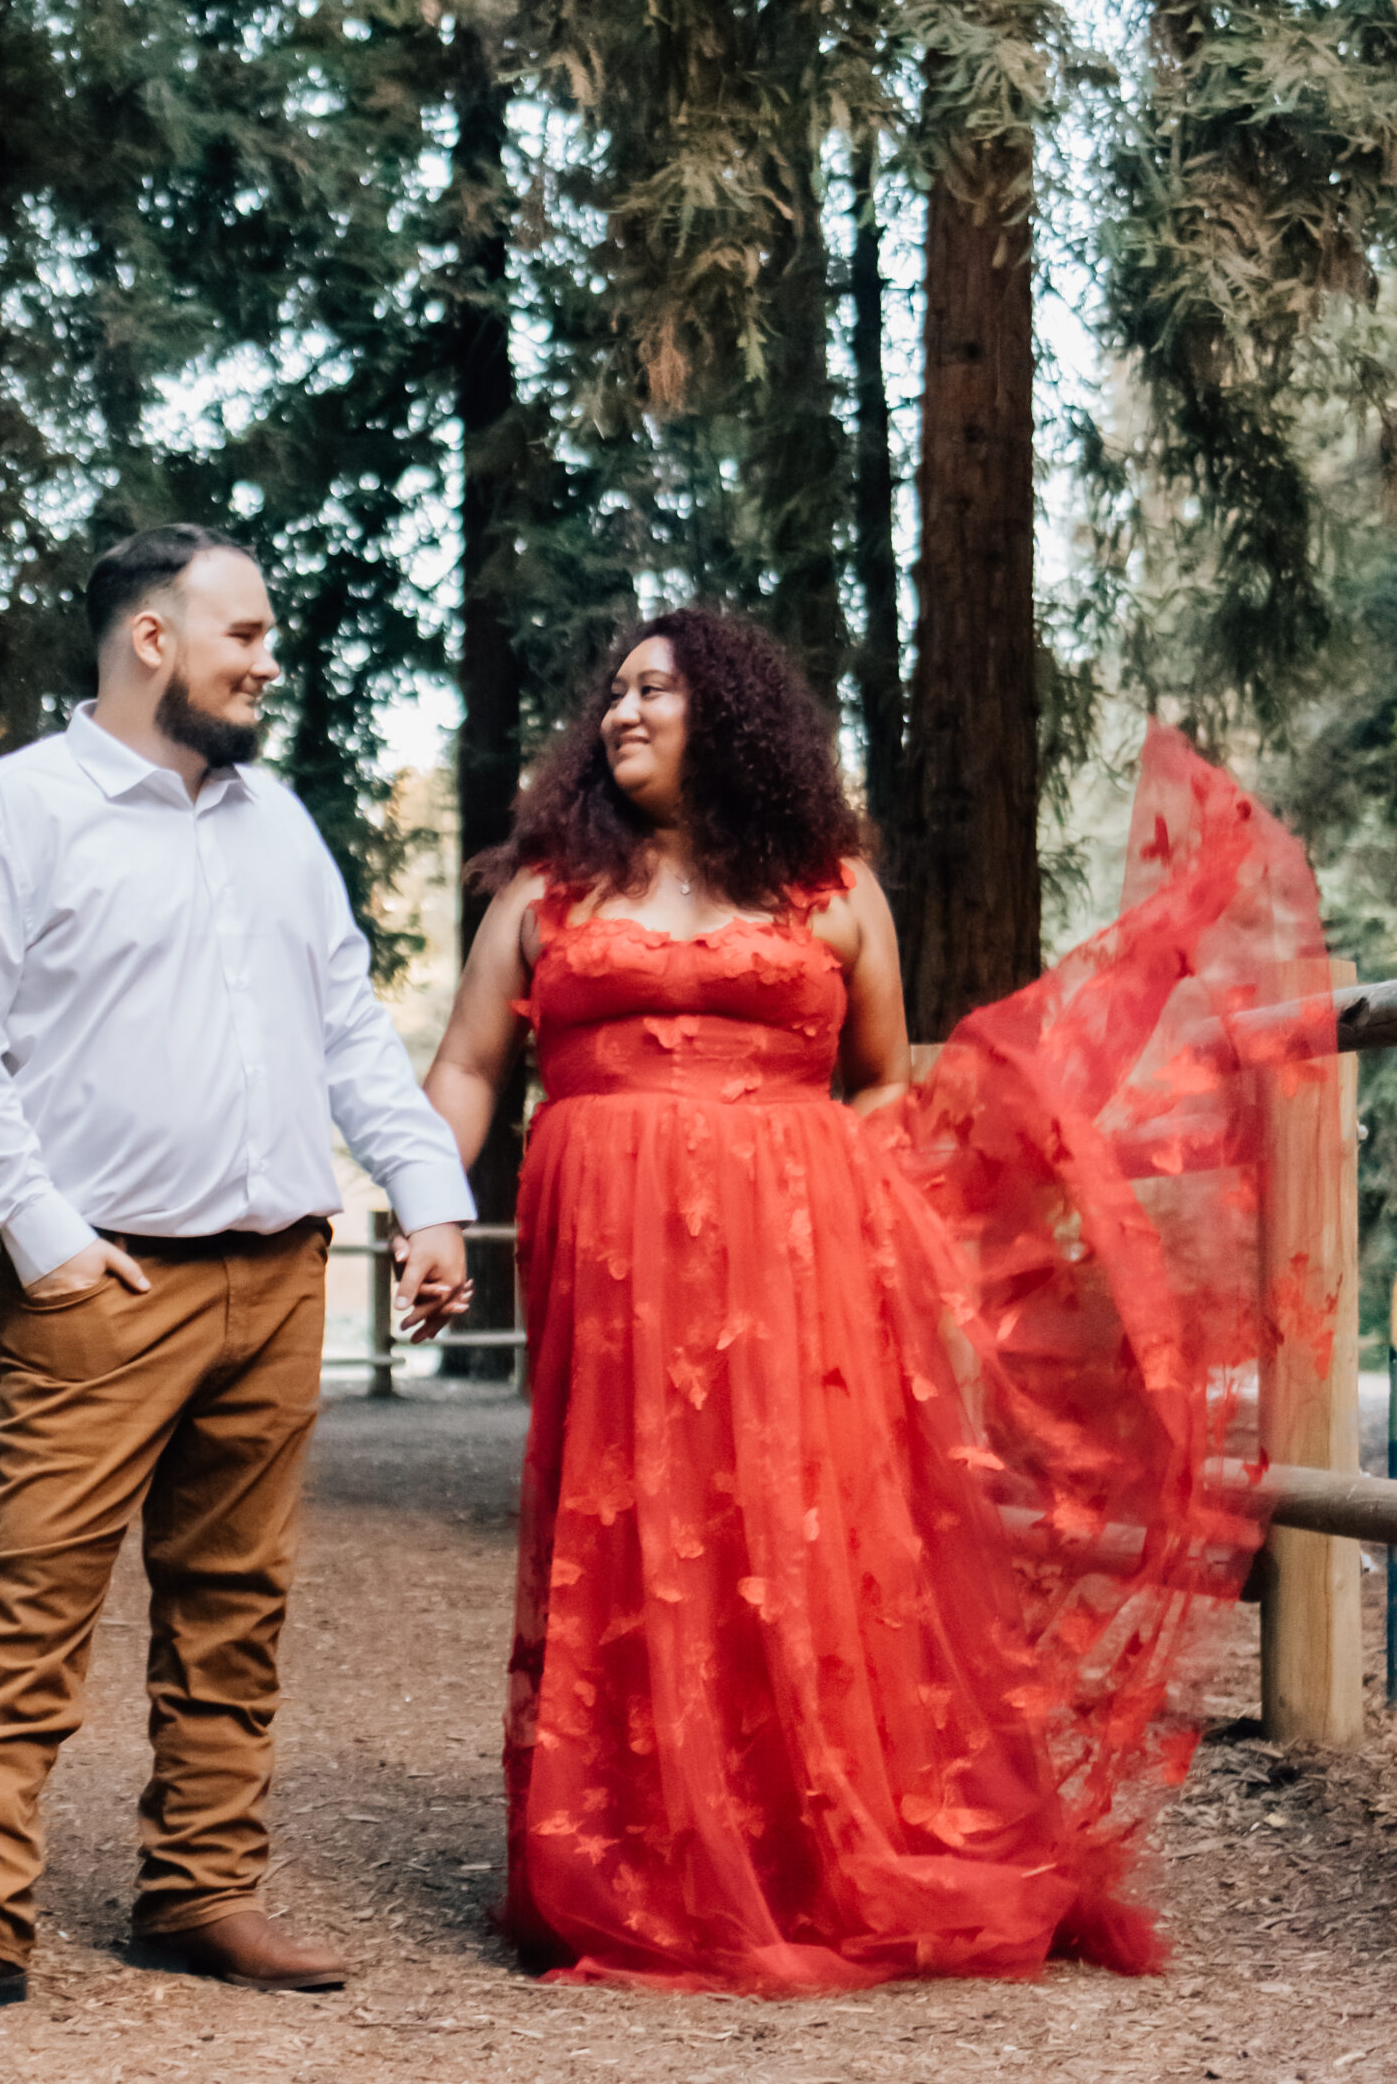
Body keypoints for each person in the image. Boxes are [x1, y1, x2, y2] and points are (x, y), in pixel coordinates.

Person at [425, 606, 1336, 1997]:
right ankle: (642, 1852)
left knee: (789, 1527)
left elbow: (881, 1078)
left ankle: (803, 1842)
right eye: (611, 694)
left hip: (797, 1260)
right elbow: (472, 1066)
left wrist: (855, 1201)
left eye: (656, 690)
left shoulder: (831, 888)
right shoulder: (545, 896)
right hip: (606, 1263)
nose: (621, 712)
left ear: (728, 717)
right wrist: (432, 1203)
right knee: (630, 1524)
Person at [0, 524, 476, 2016]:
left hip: (279, 1274)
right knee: (33, 1599)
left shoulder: (280, 825)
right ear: (149, 640)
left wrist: (426, 1199)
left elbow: (348, 1041)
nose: (266, 659)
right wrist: (46, 1243)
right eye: (242, 633)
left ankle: (201, 1888)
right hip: (107, 1283)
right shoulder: (10, 815)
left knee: (234, 1604)